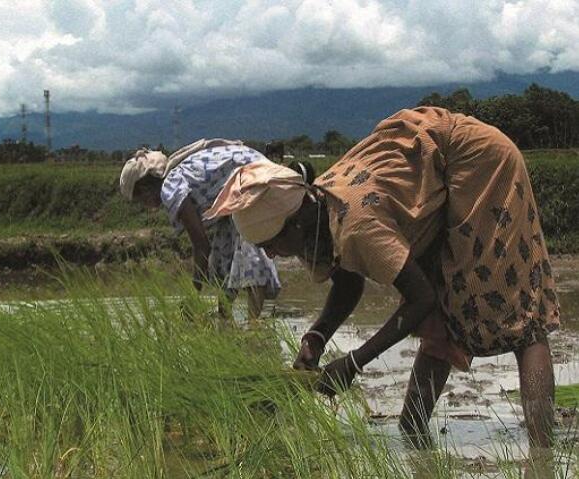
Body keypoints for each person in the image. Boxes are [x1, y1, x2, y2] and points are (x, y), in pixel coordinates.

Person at [204, 108, 561, 459]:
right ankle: (413, 428)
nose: (270, 256)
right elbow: (348, 285)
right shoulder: (320, 208)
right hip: (440, 172)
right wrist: (316, 338)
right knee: (441, 304)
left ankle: (543, 454)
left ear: (294, 225)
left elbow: (419, 299)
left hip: (481, 164)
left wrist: (355, 362)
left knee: (519, 321)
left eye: (271, 245)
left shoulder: (358, 222)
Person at [119, 139, 281, 320]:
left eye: (140, 200)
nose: (145, 206)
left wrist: (193, 293)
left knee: (250, 252)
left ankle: (254, 327)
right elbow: (209, 246)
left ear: (146, 188)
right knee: (223, 252)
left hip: (252, 179)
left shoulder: (170, 187)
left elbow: (202, 245)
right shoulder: (175, 178)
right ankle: (224, 318)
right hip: (239, 190)